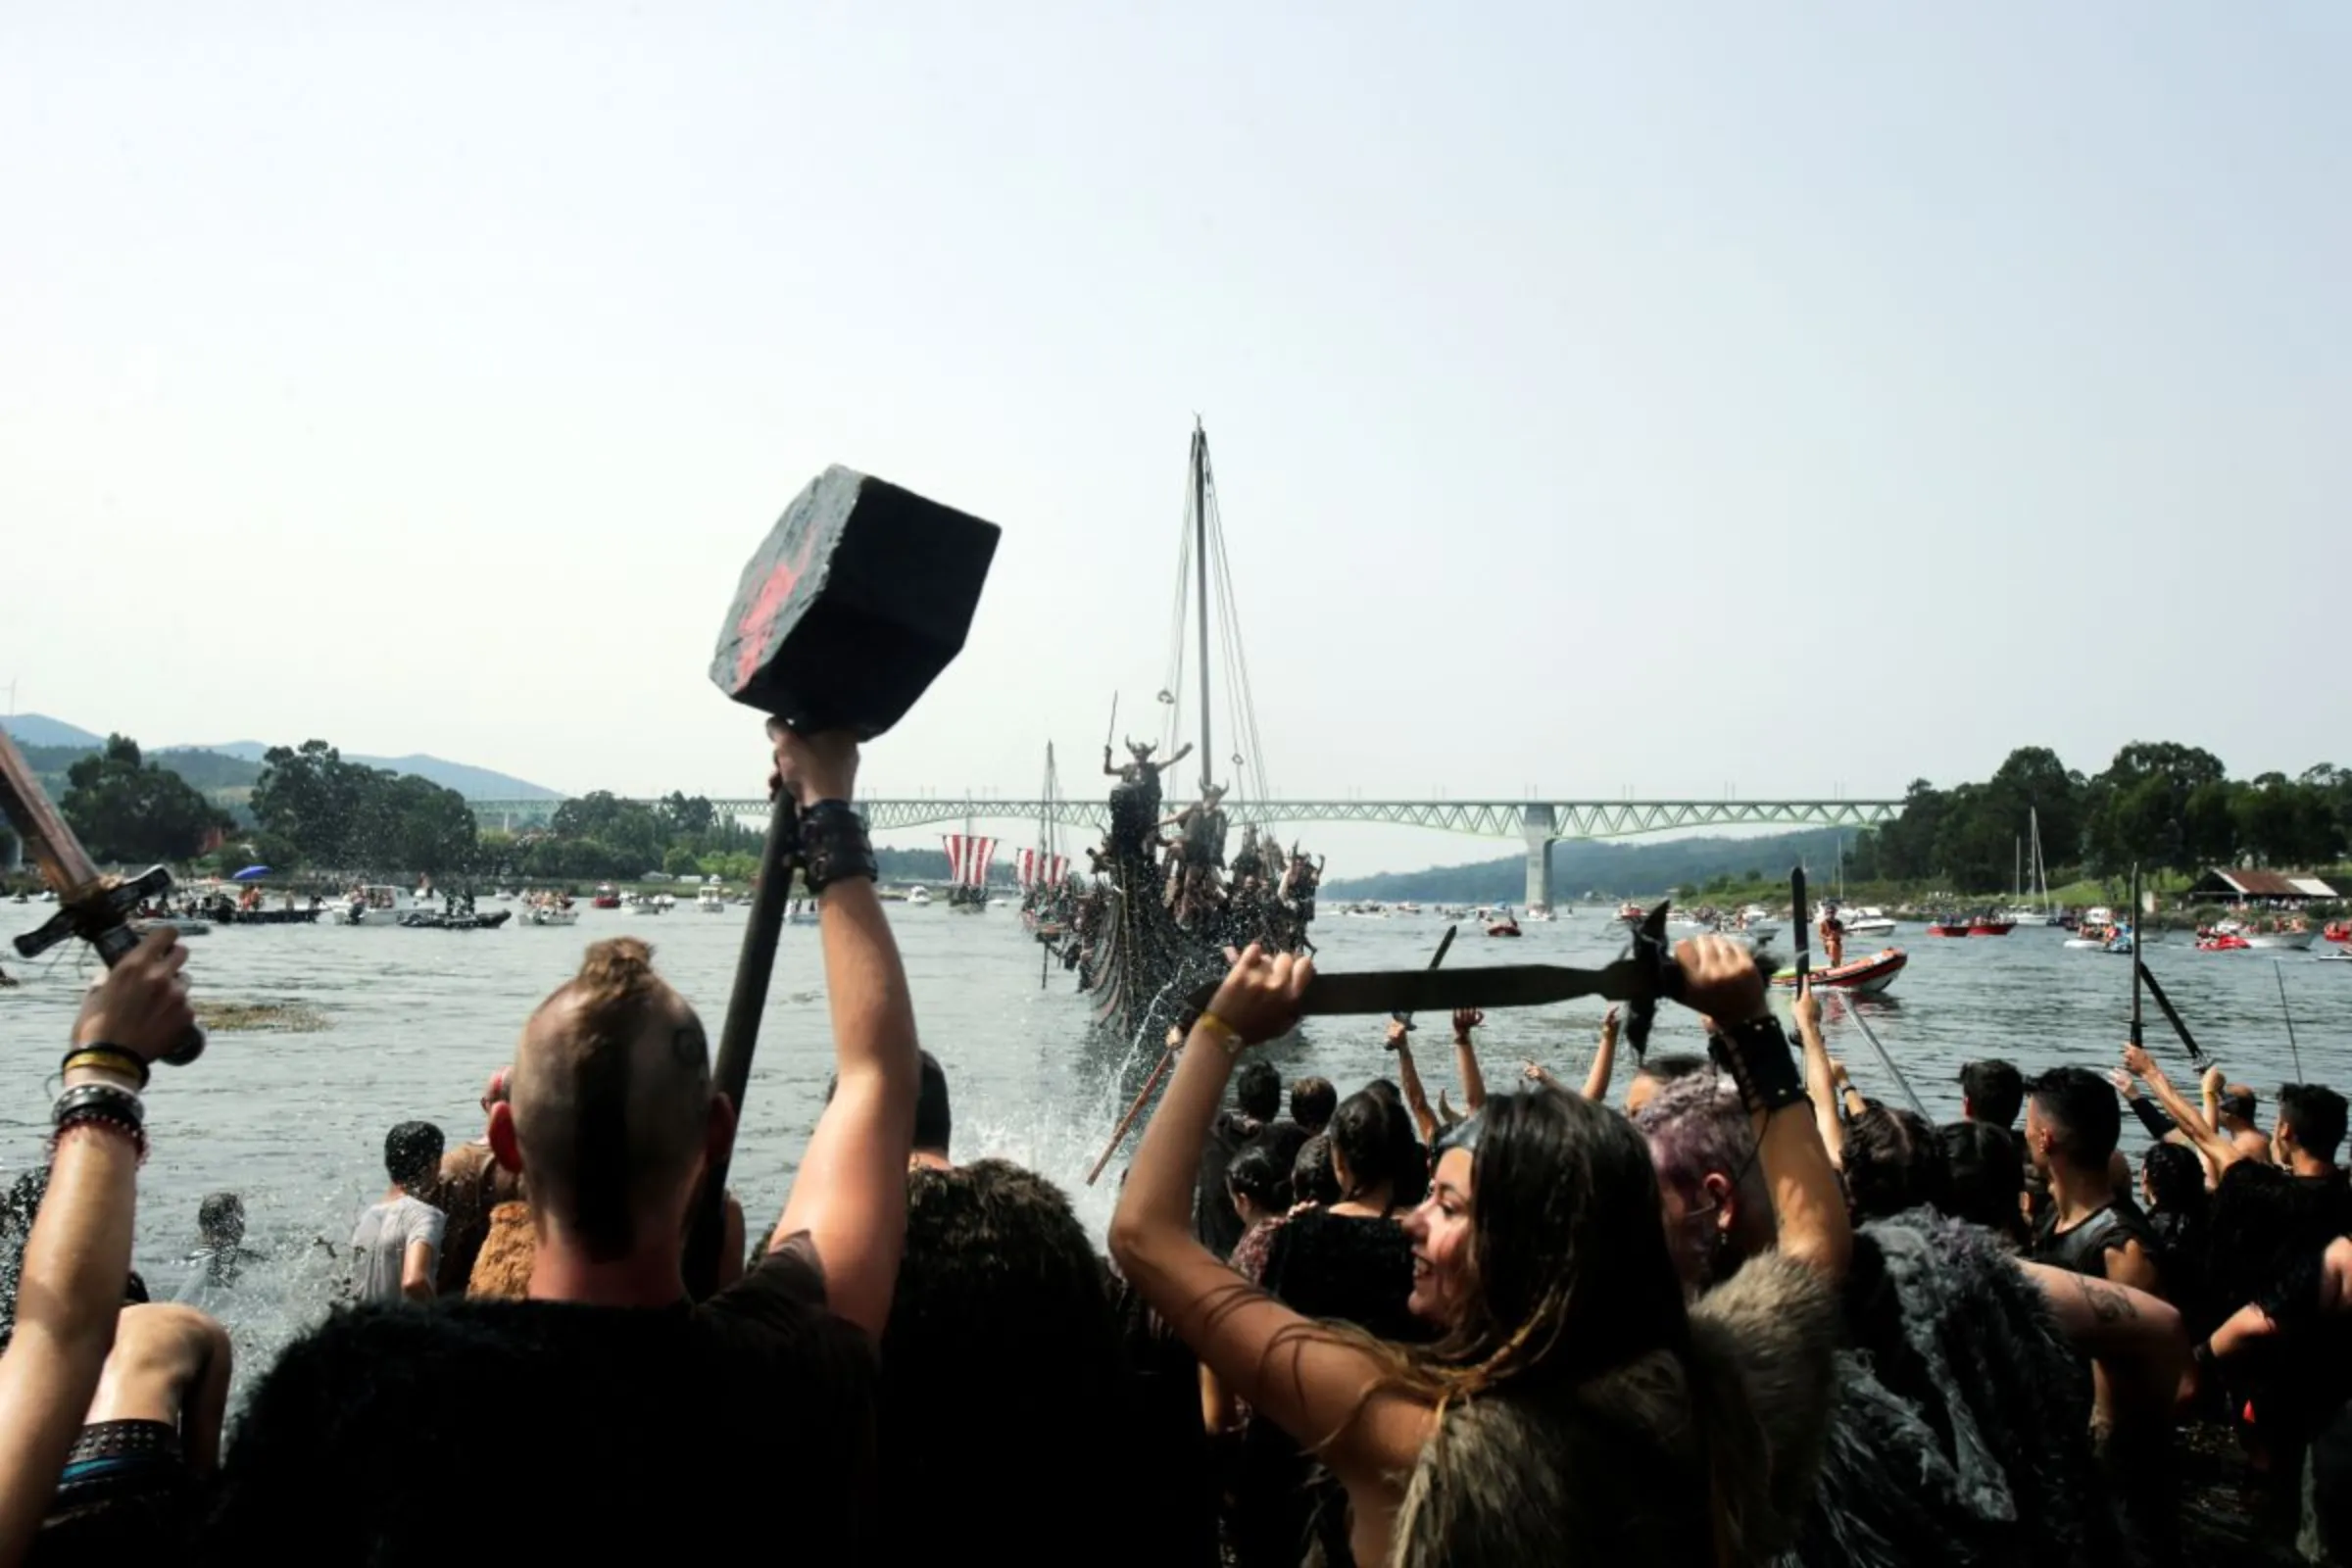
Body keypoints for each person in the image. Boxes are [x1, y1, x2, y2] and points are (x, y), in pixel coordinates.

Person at [198, 724, 913, 1562]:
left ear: (505, 1141)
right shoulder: (788, 1373)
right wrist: (827, 797)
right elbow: (875, 1082)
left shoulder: (355, 1388)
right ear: (715, 1134)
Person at [1111, 935, 1849, 1567]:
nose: (1411, 1221)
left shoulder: (1414, 1438)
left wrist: (1216, 1032)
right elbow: (1815, 1239)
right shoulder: (1722, 1395)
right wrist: (1752, 1027)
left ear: (1524, 1250)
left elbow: (1144, 1236)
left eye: (1448, 1205)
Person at [2023, 1067, 2164, 1298]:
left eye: (2028, 1126)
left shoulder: (2122, 1252)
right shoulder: (2054, 1216)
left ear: (2044, 1140)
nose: (2025, 1135)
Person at [426, 1068, 523, 1294]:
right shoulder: (543, 1168)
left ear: (484, 1105)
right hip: (514, 1288)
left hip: (454, 1293)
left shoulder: (448, 1165)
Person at [348, 1122, 447, 1304]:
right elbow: (414, 1282)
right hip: (404, 1328)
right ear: (434, 1165)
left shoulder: (367, 1217)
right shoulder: (424, 1216)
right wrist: (442, 1321)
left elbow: (352, 1288)